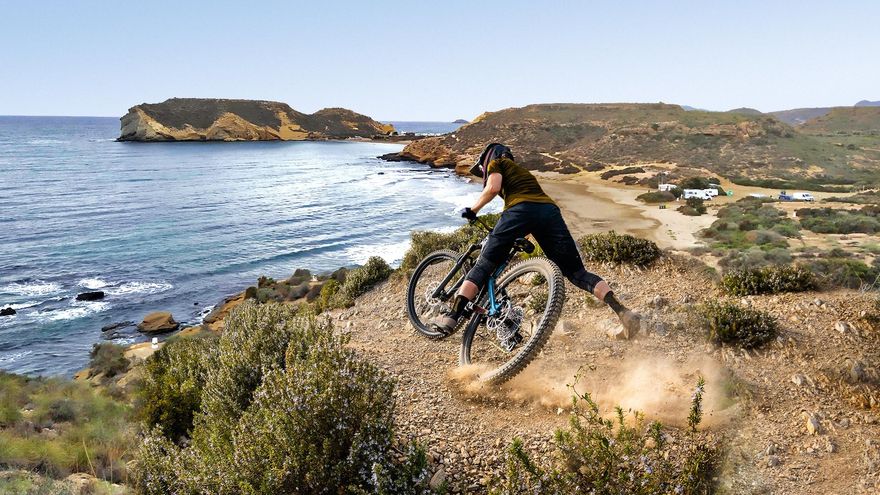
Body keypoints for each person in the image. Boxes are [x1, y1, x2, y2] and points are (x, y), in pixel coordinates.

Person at [430, 142, 641, 337]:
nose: (483, 171)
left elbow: (493, 188)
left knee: (483, 265)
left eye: (482, 168)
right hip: (550, 212)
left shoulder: (497, 162)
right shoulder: (523, 172)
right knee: (577, 273)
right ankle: (623, 312)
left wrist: (473, 210)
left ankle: (452, 316)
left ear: (487, 158)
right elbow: (534, 209)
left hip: (519, 211)